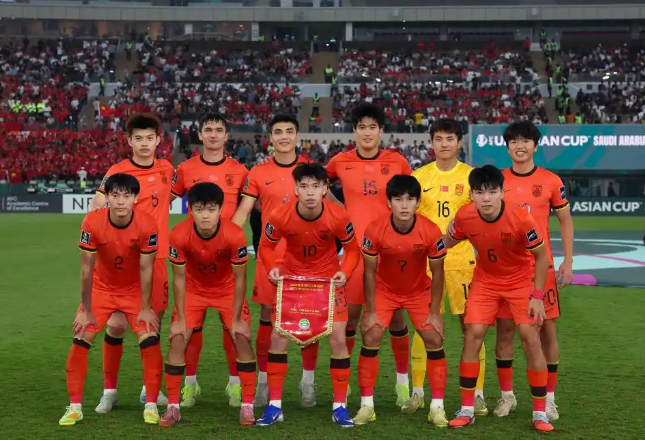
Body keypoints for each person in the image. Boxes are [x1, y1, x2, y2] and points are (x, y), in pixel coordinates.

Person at [444, 165, 554, 433]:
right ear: (471, 195)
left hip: (520, 281)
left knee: (530, 337)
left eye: (492, 192)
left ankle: (540, 413)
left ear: (502, 193)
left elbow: (541, 257)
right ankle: (467, 409)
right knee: (473, 334)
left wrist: (537, 296)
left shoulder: (521, 219)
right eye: (480, 192)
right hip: (486, 280)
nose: (486, 198)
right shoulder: (465, 216)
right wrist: (419, 240)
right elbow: (447, 241)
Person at [255, 163, 360, 427]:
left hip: (328, 282)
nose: (310, 192)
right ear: (296, 190)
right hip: (293, 282)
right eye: (304, 186)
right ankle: (275, 406)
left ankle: (339, 407)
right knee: (278, 338)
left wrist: (345, 272)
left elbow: (353, 250)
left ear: (325, 189)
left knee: (338, 339)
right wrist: (272, 267)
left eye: (316, 186)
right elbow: (265, 247)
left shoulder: (339, 216)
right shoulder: (280, 215)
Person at [325, 102, 413, 406]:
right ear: (354, 130)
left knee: (397, 318)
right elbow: (317, 182)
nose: (367, 132)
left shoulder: (397, 162)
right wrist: (339, 209)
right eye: (361, 127)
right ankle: (346, 382)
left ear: (381, 131)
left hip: (390, 254)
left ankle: (403, 382)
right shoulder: (340, 161)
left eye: (372, 127)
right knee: (350, 318)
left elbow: (411, 197)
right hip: (354, 253)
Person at [59, 173, 163, 426]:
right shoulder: (92, 222)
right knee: (81, 336)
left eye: (126, 195)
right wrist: (85, 309)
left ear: (136, 198)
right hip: (102, 289)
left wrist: (146, 307)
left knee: (149, 336)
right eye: (114, 195)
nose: (120, 201)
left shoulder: (147, 224)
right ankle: (74, 407)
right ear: (106, 197)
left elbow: (147, 268)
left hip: (133, 290)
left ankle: (150, 405)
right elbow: (86, 269)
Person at [231, 114, 316, 407]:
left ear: (297, 136)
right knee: (267, 318)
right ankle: (264, 383)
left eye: (289, 131)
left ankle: (308, 383)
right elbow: (244, 211)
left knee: (309, 320)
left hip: (308, 258)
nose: (284, 136)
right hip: (270, 258)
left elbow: (331, 207)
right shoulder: (258, 172)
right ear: (271, 138)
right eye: (278, 132)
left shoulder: (311, 170)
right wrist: (223, 239)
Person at [89, 113, 173, 409]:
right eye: (138, 138)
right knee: (116, 326)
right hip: (122, 262)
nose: (144, 143)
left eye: (149, 138)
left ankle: (149, 389)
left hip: (156, 257)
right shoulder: (117, 171)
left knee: (152, 325)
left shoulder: (167, 169)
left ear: (158, 140)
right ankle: (109, 391)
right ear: (129, 141)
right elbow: (97, 204)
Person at [492, 121, 573, 421]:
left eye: (525, 140)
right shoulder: (498, 181)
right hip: (506, 269)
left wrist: (568, 261)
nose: (520, 146)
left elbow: (565, 220)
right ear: (507, 147)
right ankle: (507, 397)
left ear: (535, 146)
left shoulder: (551, 181)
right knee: (505, 330)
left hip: (543, 267)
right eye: (513, 141)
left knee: (547, 331)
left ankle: (549, 399)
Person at [354, 175, 449, 427]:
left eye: (409, 199)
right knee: (371, 334)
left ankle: (437, 407)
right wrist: (370, 311)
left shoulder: (430, 230)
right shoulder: (375, 229)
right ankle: (367, 406)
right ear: (389, 202)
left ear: (418, 202)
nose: (404, 205)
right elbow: (369, 272)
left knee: (433, 337)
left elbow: (438, 273)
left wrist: (435, 312)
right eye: (398, 199)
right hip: (385, 291)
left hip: (418, 291)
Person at [406, 119, 486, 416]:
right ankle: (417, 392)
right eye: (438, 139)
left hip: (463, 262)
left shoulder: (471, 177)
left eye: (449, 139)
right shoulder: (418, 177)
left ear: (459, 142)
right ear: (431, 143)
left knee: (472, 327)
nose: (444, 144)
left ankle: (477, 394)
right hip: (426, 265)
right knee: (424, 326)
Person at [160, 182, 256, 427]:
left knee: (241, 337)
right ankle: (173, 407)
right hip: (194, 290)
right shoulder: (179, 234)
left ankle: (247, 405)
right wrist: (181, 319)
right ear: (190, 209)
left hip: (226, 289)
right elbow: (178, 278)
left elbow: (240, 279)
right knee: (178, 337)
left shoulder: (234, 234)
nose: (205, 215)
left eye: (211, 209)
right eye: (199, 209)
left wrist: (237, 319)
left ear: (221, 210)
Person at [171, 113, 249, 408]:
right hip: (193, 261)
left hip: (228, 261)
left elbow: (251, 205)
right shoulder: (185, 169)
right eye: (208, 129)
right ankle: (190, 385)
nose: (213, 134)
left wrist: (232, 235)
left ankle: (235, 385)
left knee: (234, 329)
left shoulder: (240, 171)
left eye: (219, 130)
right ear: (200, 135)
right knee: (190, 329)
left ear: (226, 135)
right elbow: (161, 200)